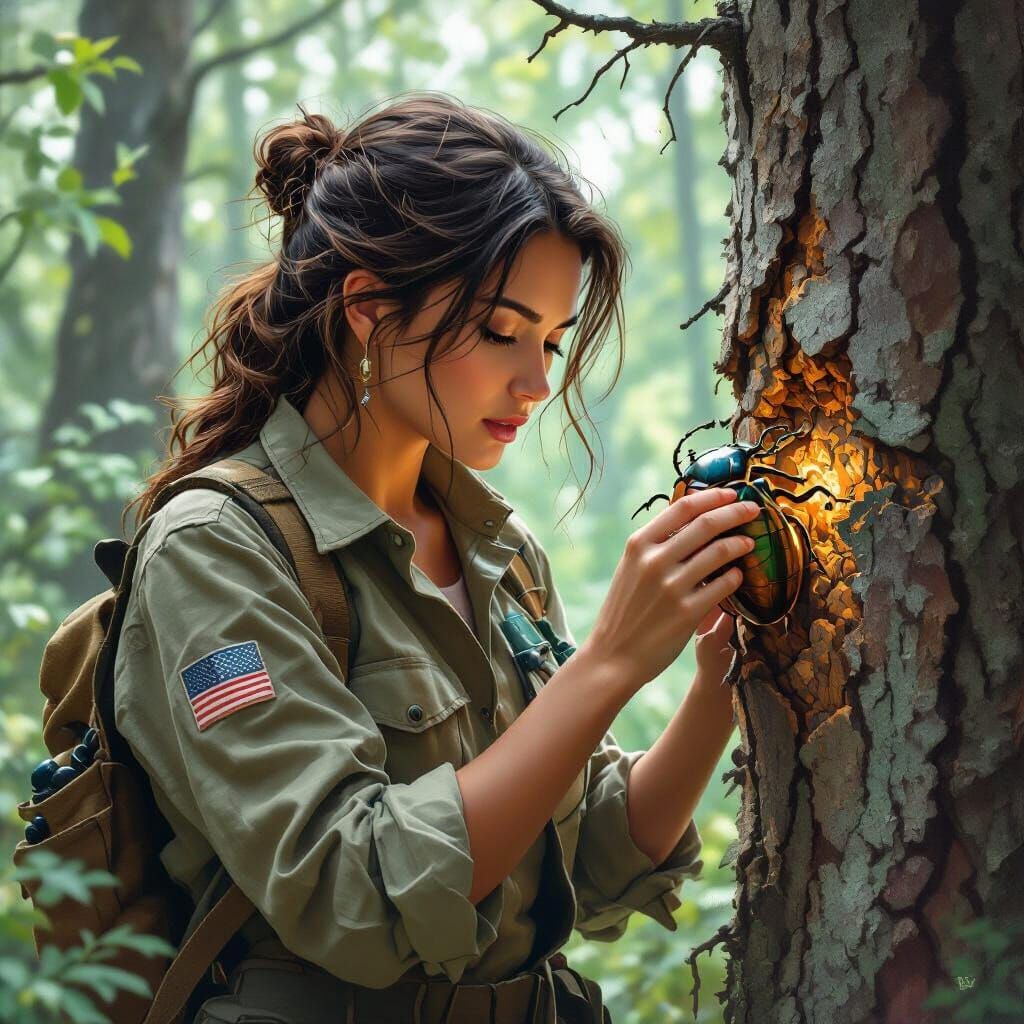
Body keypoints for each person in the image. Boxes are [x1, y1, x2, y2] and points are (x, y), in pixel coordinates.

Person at [114, 93, 760, 1024]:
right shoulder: (217, 546)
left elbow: (588, 855)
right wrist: (610, 662)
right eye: (502, 331)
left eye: (549, 340)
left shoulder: (499, 549)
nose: (537, 382)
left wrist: (715, 682)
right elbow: (356, 896)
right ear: (371, 308)